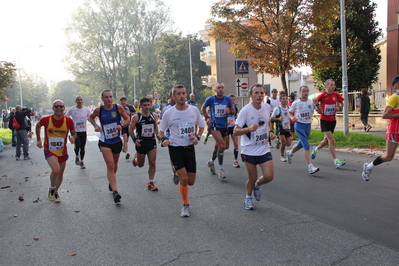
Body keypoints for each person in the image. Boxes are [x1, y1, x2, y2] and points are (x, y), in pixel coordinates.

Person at [159, 84, 205, 217]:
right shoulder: (169, 113)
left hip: (189, 147)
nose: (182, 96)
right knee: (184, 179)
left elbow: (201, 127)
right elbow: (161, 131)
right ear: (173, 96)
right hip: (175, 148)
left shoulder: (194, 110)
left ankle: (177, 173)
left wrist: (197, 137)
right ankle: (185, 205)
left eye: (183, 93)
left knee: (191, 181)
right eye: (178, 93)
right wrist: (163, 140)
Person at [234, 84, 275, 210]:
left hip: (264, 148)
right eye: (256, 93)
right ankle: (248, 198)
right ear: (250, 95)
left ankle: (257, 185)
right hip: (249, 150)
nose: (259, 95)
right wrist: (248, 128)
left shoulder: (267, 107)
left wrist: (271, 131)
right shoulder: (245, 111)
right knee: (252, 177)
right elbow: (235, 131)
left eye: (261, 93)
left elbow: (268, 121)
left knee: (269, 176)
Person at [88, 90, 130, 203]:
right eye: (106, 97)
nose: (109, 99)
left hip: (116, 140)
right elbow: (90, 118)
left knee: (115, 165)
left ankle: (111, 181)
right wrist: (95, 125)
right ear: (102, 98)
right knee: (110, 166)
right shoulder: (99, 110)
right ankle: (115, 192)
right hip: (104, 141)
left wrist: (121, 125)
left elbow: (127, 119)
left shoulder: (118, 108)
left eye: (110, 97)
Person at [35, 100, 76, 203]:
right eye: (56, 106)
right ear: (53, 108)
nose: (59, 108)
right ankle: (52, 188)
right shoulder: (46, 119)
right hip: (49, 150)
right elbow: (38, 125)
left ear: (64, 108)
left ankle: (55, 191)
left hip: (62, 151)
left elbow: (74, 133)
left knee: (60, 174)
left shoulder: (69, 121)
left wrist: (72, 138)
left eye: (61, 106)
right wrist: (39, 139)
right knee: (56, 170)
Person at [362, 75, 399, 181]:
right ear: (396, 85)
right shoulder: (395, 97)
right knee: (388, 157)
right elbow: (384, 115)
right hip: (394, 130)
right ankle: (369, 167)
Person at [201, 82, 236, 180]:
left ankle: (211, 162)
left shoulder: (227, 99)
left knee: (224, 146)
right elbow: (203, 108)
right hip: (214, 126)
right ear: (215, 90)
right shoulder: (211, 99)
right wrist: (207, 118)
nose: (220, 89)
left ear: (224, 90)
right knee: (222, 145)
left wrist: (230, 111)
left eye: (222, 87)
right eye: (219, 88)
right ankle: (221, 169)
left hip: (225, 126)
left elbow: (233, 111)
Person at [285, 86, 322, 175]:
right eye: (303, 91)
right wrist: (292, 117)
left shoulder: (311, 102)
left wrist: (317, 104)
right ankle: (310, 167)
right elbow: (289, 112)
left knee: (300, 144)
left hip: (307, 125)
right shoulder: (296, 103)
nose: (305, 92)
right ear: (300, 93)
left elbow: (320, 112)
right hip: (299, 125)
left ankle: (289, 153)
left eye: (307, 91)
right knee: (306, 144)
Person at [311, 79, 346, 169]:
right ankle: (336, 161)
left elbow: (342, 103)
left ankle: (316, 149)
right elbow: (315, 102)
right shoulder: (323, 95)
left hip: (333, 119)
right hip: (324, 120)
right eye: (330, 85)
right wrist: (317, 105)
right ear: (326, 86)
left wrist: (339, 107)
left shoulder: (336, 94)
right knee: (331, 140)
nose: (332, 86)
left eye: (333, 85)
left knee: (326, 141)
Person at [129, 97, 160, 191]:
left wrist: (158, 136)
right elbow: (130, 129)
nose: (147, 107)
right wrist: (134, 139)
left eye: (148, 105)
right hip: (141, 143)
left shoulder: (153, 116)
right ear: (140, 106)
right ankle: (135, 159)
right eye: (145, 105)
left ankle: (150, 182)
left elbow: (155, 127)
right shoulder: (136, 117)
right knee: (140, 165)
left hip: (151, 141)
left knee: (152, 162)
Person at [66, 95, 91, 169]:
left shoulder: (86, 110)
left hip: (83, 131)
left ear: (83, 101)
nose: (79, 101)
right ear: (75, 101)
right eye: (78, 100)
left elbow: (90, 118)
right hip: (75, 131)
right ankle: (77, 156)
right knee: (77, 146)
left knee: (83, 147)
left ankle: (82, 161)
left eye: (81, 100)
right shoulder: (72, 110)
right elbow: (66, 118)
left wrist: (95, 125)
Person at [159, 89, 179, 185]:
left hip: (182, 136)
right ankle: (175, 169)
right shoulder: (166, 109)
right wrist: (161, 137)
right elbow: (161, 122)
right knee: (174, 154)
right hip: (170, 135)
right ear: (171, 97)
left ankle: (181, 167)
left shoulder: (184, 107)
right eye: (174, 95)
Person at [271, 94, 292, 162]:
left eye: (286, 98)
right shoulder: (277, 108)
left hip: (287, 127)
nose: (285, 100)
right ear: (280, 100)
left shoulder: (289, 108)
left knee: (288, 144)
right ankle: (282, 155)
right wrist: (278, 119)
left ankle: (278, 141)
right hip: (280, 127)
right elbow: (271, 118)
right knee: (284, 142)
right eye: (283, 99)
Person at [226, 94, 240, 168]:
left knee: (236, 144)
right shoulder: (225, 108)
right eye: (231, 100)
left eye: (234, 100)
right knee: (225, 146)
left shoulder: (235, 108)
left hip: (233, 128)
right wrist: (226, 122)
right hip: (226, 128)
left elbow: (236, 117)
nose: (233, 101)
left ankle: (235, 160)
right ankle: (215, 158)